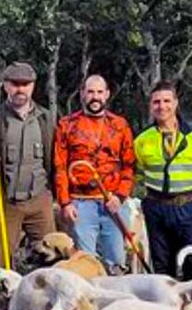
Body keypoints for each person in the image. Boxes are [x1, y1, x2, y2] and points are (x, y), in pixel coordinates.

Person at [134, 80, 192, 277]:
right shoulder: (142, 140)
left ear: (175, 103)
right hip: (157, 208)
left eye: (167, 101)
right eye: (156, 102)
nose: (162, 106)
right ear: (150, 106)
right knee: (162, 265)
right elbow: (137, 173)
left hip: (189, 208)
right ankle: (167, 306)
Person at [0, 62, 56, 268]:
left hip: (40, 201)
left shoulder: (47, 118)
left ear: (33, 86)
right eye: (15, 84)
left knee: (53, 258)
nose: (20, 89)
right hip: (5, 201)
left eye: (25, 84)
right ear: (5, 86)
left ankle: (43, 298)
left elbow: (55, 159)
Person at [54, 74, 136, 272]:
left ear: (107, 95)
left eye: (100, 92)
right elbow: (60, 166)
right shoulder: (66, 125)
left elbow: (129, 165)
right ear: (82, 94)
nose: (95, 97)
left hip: (113, 204)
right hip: (80, 204)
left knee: (116, 262)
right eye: (90, 92)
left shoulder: (120, 125)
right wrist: (65, 202)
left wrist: (120, 196)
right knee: (84, 263)